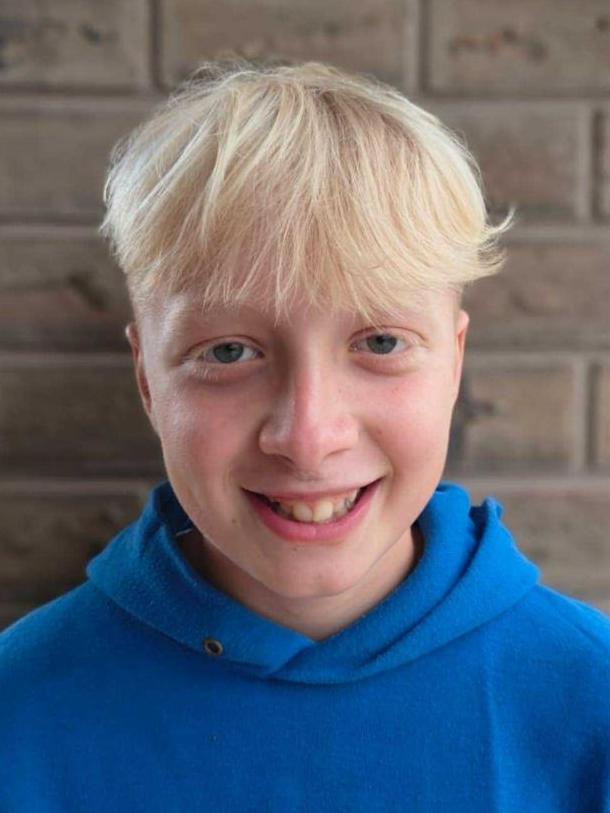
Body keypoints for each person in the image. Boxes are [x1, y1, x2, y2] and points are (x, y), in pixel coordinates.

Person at [1, 60, 608, 812]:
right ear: (147, 379)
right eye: (228, 351)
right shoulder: (20, 714)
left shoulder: (591, 705)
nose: (308, 438)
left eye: (380, 342)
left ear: (454, 361)